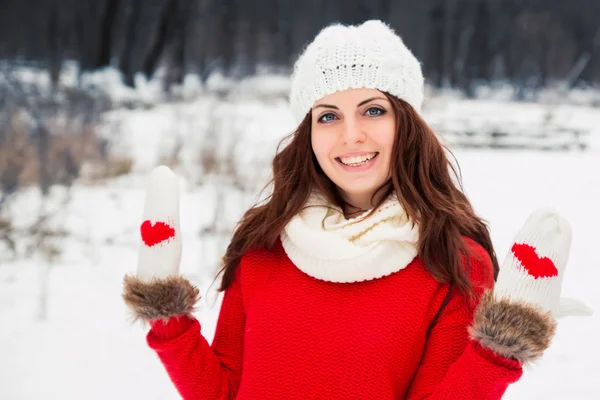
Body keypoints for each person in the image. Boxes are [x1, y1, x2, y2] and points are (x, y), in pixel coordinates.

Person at [122, 20, 591, 399]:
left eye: (373, 110)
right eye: (328, 116)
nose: (351, 136)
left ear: (406, 123)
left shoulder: (454, 262)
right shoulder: (265, 245)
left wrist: (498, 353)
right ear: (309, 133)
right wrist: (166, 314)